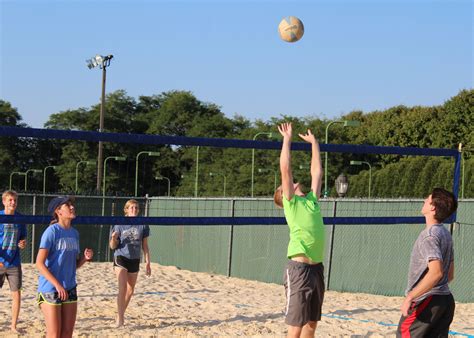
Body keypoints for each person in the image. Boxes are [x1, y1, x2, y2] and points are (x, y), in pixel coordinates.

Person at [274, 122, 325, 338]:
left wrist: (314, 144)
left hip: (317, 269)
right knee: (295, 326)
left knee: (311, 324)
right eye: (284, 186)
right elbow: (285, 168)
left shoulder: (312, 200)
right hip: (299, 269)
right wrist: (287, 139)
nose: (291, 183)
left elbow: (317, 172)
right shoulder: (291, 203)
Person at [397, 188, 458, 337]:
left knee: (404, 333)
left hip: (427, 300)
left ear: (432, 207)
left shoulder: (429, 236)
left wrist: (410, 297)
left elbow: (437, 272)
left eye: (427, 198)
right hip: (445, 300)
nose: (424, 200)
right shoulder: (445, 234)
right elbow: (449, 275)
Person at [36, 196, 93, 338]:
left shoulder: (74, 233)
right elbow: (39, 263)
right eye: (67, 205)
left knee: (67, 333)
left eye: (72, 204)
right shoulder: (52, 232)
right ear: (58, 211)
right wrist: (57, 285)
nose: (72, 207)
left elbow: (73, 265)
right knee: (54, 334)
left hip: (69, 287)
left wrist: (85, 259)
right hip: (50, 288)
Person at [109, 199, 151, 327]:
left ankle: (119, 313)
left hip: (134, 259)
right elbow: (112, 246)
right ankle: (120, 319)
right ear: (126, 210)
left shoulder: (143, 224)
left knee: (130, 290)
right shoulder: (118, 224)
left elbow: (145, 245)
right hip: (121, 257)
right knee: (122, 288)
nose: (134, 209)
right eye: (131, 207)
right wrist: (114, 238)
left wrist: (148, 262)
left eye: (136, 208)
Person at [0, 190, 27, 333]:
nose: (13, 203)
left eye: (15, 200)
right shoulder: (0, 216)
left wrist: (22, 243)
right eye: (10, 200)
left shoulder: (20, 218)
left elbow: (23, 238)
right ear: (4, 201)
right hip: (0, 261)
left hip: (14, 262)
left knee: (16, 294)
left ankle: (13, 326)